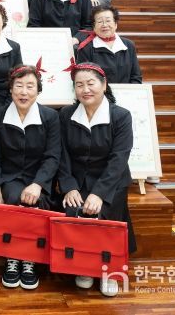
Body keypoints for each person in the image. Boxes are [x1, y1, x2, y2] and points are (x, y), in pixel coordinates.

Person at [57, 59, 136, 297]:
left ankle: (108, 270)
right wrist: (69, 186)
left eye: (91, 83)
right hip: (78, 181)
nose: (85, 89)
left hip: (110, 182)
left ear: (104, 84)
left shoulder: (121, 116)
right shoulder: (66, 115)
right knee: (74, 210)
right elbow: (61, 154)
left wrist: (99, 193)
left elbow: (119, 159)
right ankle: (85, 267)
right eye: (79, 85)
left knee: (104, 216)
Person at [0, 63, 61, 290]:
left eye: (30, 86)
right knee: (14, 195)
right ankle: (13, 257)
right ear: (10, 89)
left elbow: (52, 156)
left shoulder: (50, 117)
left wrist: (38, 184)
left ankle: (29, 258)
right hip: (9, 178)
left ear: (38, 90)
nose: (24, 92)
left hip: (39, 178)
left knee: (37, 199)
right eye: (18, 86)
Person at [76, 5, 143, 84]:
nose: (104, 25)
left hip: (126, 91)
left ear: (115, 24)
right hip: (99, 92)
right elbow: (84, 79)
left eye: (108, 21)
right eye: (100, 22)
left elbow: (136, 76)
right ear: (94, 27)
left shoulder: (128, 45)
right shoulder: (86, 48)